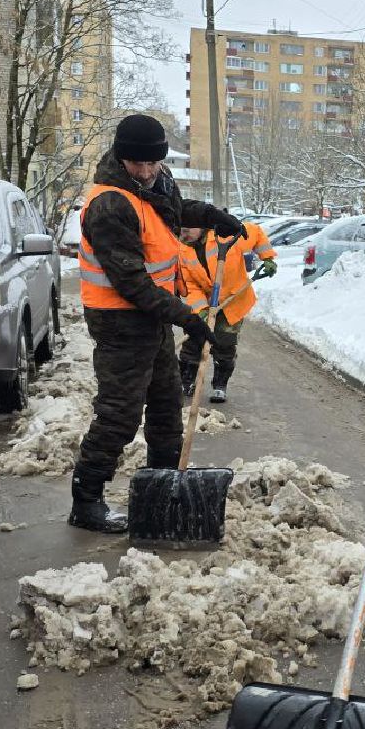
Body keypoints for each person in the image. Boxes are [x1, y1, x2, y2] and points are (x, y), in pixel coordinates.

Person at [69, 114, 246, 533]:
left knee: (167, 406)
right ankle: (87, 499)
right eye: (138, 164)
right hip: (119, 322)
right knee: (119, 414)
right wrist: (188, 317)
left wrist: (211, 215)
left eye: (153, 163)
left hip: (153, 320)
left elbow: (171, 210)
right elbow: (131, 281)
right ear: (121, 156)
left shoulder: (158, 181)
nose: (147, 172)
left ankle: (162, 486)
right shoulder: (109, 203)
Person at [176, 219, 277, 403]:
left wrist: (267, 257)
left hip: (233, 299)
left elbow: (255, 232)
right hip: (206, 301)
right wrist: (201, 309)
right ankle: (186, 382)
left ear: (201, 227)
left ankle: (220, 386)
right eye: (181, 231)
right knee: (193, 341)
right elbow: (189, 284)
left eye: (187, 230)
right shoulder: (182, 250)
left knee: (224, 343)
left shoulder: (226, 235)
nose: (184, 235)